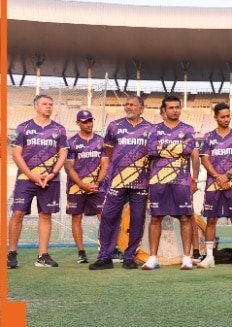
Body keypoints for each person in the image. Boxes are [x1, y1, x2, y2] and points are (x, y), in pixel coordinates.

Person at [89, 95, 152, 270]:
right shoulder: (114, 126)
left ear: (141, 108)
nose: (128, 107)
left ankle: (130, 256)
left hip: (141, 182)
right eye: (127, 104)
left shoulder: (151, 129)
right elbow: (109, 152)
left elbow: (152, 156)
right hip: (117, 181)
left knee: (137, 220)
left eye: (132, 105)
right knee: (108, 217)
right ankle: (104, 257)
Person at [7, 94, 68, 268]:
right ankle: (11, 253)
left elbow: (63, 153)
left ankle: (42, 256)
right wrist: (32, 175)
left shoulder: (59, 129)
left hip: (50, 179)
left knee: (45, 214)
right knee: (18, 213)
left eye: (50, 104)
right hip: (26, 178)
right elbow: (16, 154)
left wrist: (52, 173)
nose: (48, 107)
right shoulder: (23, 127)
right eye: (44, 104)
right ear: (36, 106)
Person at [142, 94, 198, 270]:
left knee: (184, 217)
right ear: (164, 111)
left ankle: (187, 258)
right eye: (171, 108)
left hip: (181, 180)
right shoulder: (154, 130)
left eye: (177, 107)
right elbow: (151, 150)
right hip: (158, 180)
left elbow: (189, 148)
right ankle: (153, 258)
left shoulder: (188, 129)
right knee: (156, 217)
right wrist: (177, 148)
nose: (175, 110)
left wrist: (164, 149)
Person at [196, 102, 232, 269]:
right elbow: (204, 159)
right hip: (213, 183)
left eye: (228, 116)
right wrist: (217, 177)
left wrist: (227, 176)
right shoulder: (208, 137)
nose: (226, 119)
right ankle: (209, 256)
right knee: (211, 219)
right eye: (223, 117)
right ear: (216, 118)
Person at [65, 110, 109, 264]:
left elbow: (105, 164)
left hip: (96, 186)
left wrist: (97, 183)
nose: (89, 124)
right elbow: (69, 168)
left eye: (90, 120)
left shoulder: (100, 141)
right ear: (78, 123)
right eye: (85, 121)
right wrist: (82, 184)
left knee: (104, 216)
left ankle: (107, 248)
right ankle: (81, 252)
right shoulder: (71, 143)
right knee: (76, 218)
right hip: (76, 187)